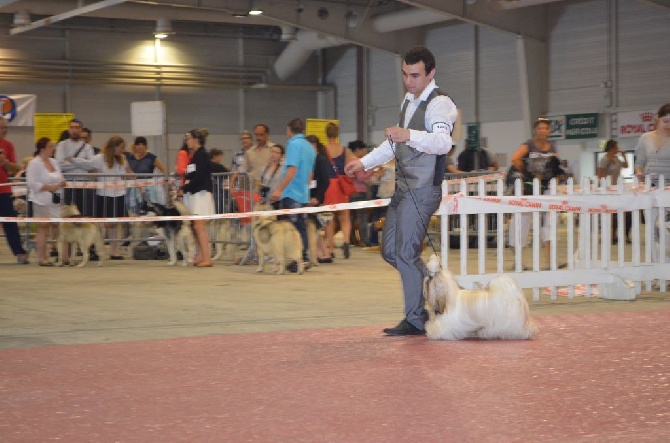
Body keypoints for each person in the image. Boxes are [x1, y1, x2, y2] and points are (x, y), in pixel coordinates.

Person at [345, 46, 458, 336]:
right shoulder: (409, 100)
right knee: (391, 252)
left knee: (405, 254)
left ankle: (416, 320)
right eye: (405, 75)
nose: (409, 81)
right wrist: (363, 162)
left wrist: (408, 134)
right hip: (403, 189)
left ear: (430, 73)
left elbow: (443, 143)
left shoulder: (440, 103)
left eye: (415, 75)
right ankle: (436, 285)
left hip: (422, 190)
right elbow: (393, 145)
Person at [508, 117, 564, 268]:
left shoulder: (552, 147)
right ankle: (518, 261)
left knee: (549, 221)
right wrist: (527, 173)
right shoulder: (529, 145)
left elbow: (555, 166)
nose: (542, 131)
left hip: (546, 188)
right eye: (539, 128)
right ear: (535, 130)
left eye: (545, 128)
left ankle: (551, 259)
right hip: (529, 188)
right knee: (522, 222)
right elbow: (515, 158)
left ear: (549, 131)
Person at [270, 118, 316, 271]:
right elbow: (310, 172)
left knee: (290, 229)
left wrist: (279, 190)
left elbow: (292, 170)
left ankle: (296, 259)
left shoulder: (293, 145)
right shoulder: (310, 147)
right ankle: (302, 257)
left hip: (291, 193)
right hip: (303, 193)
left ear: (289, 129)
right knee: (301, 227)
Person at [634, 103, 670, 261]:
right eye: (666, 121)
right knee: (651, 231)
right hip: (650, 188)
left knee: (664, 228)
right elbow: (639, 162)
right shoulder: (645, 138)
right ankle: (656, 271)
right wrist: (639, 173)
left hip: (668, 188)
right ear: (658, 119)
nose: (668, 126)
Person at [26, 138, 66, 266]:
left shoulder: (54, 162)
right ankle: (42, 258)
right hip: (41, 200)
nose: (52, 149)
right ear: (42, 149)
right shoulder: (34, 163)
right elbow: (31, 183)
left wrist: (62, 183)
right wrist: (49, 187)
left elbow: (60, 177)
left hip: (56, 200)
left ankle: (63, 257)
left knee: (59, 227)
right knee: (43, 229)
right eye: (50, 147)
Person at [92, 136, 133, 260]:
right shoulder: (99, 158)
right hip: (103, 194)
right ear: (113, 147)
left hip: (119, 194)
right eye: (121, 147)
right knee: (104, 224)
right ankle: (99, 249)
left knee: (115, 224)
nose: (123, 149)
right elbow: (92, 175)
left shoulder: (123, 158)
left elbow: (129, 173)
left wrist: (136, 180)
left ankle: (114, 250)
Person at [180, 129, 215, 267]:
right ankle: (201, 255)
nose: (187, 141)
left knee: (199, 227)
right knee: (196, 227)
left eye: (189, 138)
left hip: (201, 195)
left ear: (196, 140)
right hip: (195, 195)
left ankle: (207, 258)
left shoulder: (202, 155)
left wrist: (185, 189)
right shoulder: (195, 156)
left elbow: (199, 177)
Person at [323, 122, 356, 259]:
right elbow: (350, 168)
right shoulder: (345, 150)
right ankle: (346, 241)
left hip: (328, 185)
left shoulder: (323, 150)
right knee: (345, 216)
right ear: (337, 134)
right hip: (341, 185)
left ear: (326, 134)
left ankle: (331, 247)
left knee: (329, 218)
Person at [0, 117, 29, 264]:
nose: (5, 130)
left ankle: (19, 252)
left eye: (6, 128)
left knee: (10, 222)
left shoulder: (8, 145)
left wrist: (5, 163)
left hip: (4, 190)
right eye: (2, 127)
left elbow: (15, 170)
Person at [55, 118, 98, 217]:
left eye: (77, 128)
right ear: (69, 129)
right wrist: (82, 162)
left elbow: (91, 165)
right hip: (68, 185)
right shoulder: (62, 145)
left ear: (81, 130)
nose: (74, 130)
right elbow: (60, 165)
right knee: (69, 216)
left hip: (84, 185)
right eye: (72, 127)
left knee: (86, 215)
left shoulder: (87, 147)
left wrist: (73, 160)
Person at [598, 139, 631, 244]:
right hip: (608, 188)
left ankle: (621, 234)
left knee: (620, 212)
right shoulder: (604, 159)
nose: (618, 149)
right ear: (612, 148)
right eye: (616, 147)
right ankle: (611, 235)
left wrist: (624, 156)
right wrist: (607, 183)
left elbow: (626, 166)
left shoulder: (617, 159)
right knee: (611, 213)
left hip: (618, 187)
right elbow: (600, 174)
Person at [306, 134, 333, 263]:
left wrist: (317, 197)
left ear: (316, 146)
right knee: (314, 226)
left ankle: (322, 252)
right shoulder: (309, 159)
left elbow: (326, 181)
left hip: (316, 197)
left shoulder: (320, 159)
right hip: (309, 196)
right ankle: (323, 253)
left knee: (314, 226)